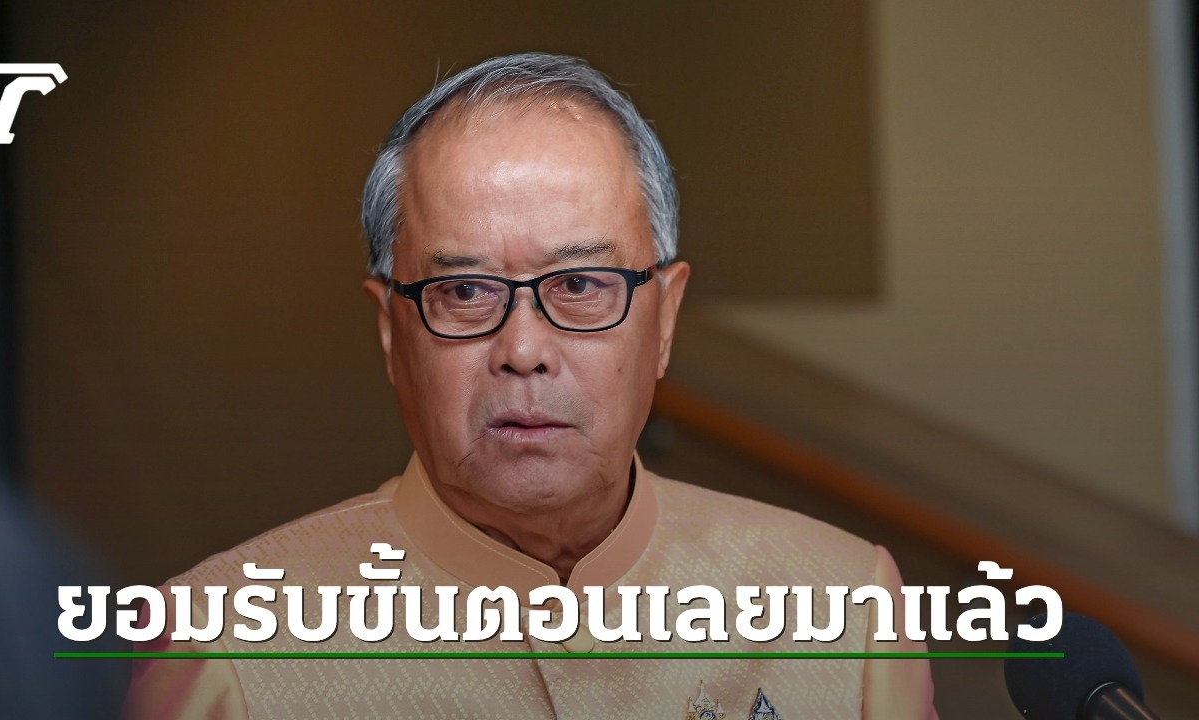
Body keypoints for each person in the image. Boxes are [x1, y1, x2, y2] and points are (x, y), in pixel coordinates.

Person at [125, 52, 937, 719]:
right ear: (391, 332)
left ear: (664, 318)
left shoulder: (844, 605)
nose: (522, 351)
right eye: (464, 291)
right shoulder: (229, 647)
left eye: (580, 284)